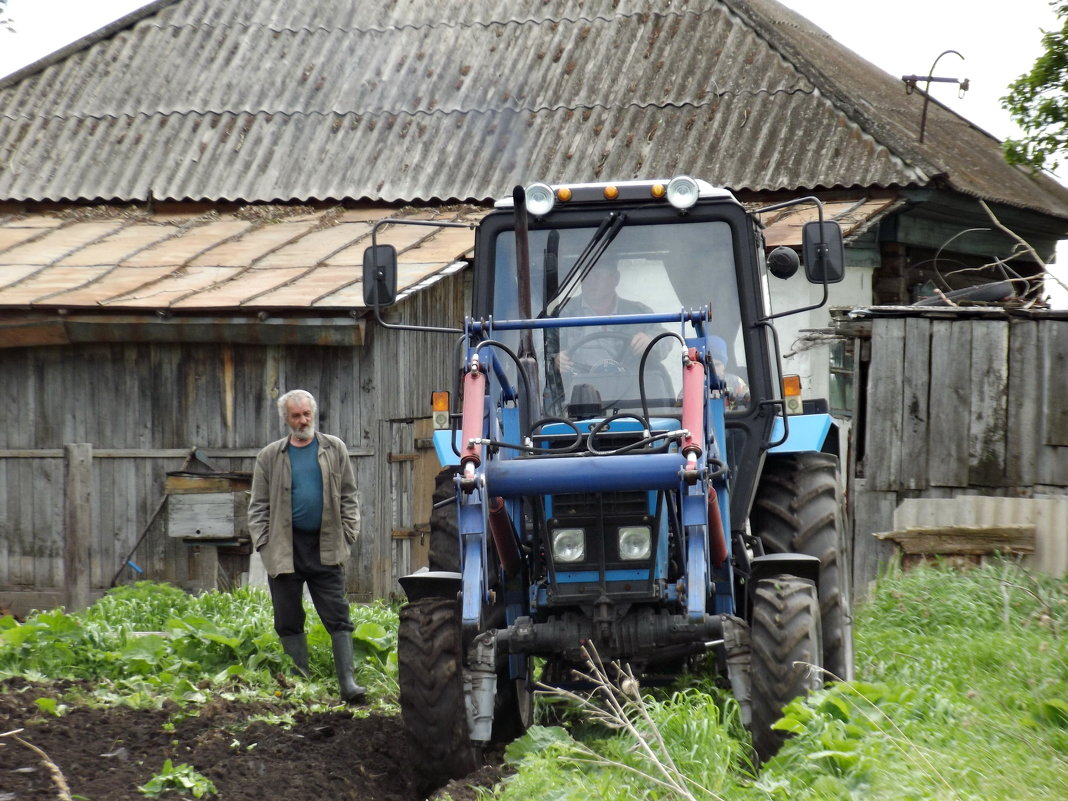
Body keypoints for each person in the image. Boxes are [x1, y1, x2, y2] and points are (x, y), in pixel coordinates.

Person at [248, 389, 365, 703]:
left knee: (338, 614)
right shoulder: (270, 456)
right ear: (286, 419)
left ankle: (348, 683)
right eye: (295, 416)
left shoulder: (333, 448)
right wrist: (263, 543)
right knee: (288, 618)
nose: (302, 421)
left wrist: (349, 533)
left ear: (313, 414)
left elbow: (349, 496)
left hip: (326, 545)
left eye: (306, 414)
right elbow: (258, 506)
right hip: (285, 548)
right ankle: (301, 686)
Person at [709, 335, 750, 410]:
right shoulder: (693, 385)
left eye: (717, 365)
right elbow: (681, 406)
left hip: (731, 420)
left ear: (724, 366)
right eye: (710, 366)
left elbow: (748, 403)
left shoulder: (736, 382)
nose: (714, 370)